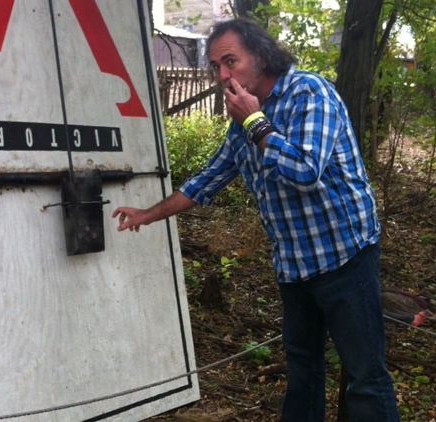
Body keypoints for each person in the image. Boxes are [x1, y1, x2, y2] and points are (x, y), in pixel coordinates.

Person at [113, 18, 400, 422]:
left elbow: (304, 172)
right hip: (294, 266)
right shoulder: (241, 121)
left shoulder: (309, 92)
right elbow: (206, 180)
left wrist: (255, 122)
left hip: (345, 257)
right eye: (215, 66)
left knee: (365, 376)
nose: (223, 75)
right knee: (303, 371)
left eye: (230, 61)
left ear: (262, 57)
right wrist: (148, 214)